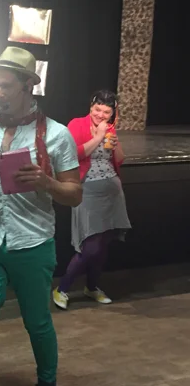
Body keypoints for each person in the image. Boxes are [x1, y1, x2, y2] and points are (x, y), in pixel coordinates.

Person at [0, 47, 82, 386]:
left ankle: (47, 381)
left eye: (6, 86)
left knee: (37, 323)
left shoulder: (57, 135)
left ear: (28, 85)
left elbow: (75, 194)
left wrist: (47, 182)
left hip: (33, 244)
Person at [53, 90, 131, 310]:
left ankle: (92, 287)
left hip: (112, 191)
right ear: (91, 107)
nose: (101, 115)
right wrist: (97, 138)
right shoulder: (77, 124)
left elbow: (120, 159)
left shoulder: (109, 128)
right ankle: (62, 288)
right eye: (98, 110)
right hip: (87, 191)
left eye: (106, 112)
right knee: (90, 246)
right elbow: (72, 154)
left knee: (104, 244)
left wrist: (114, 144)